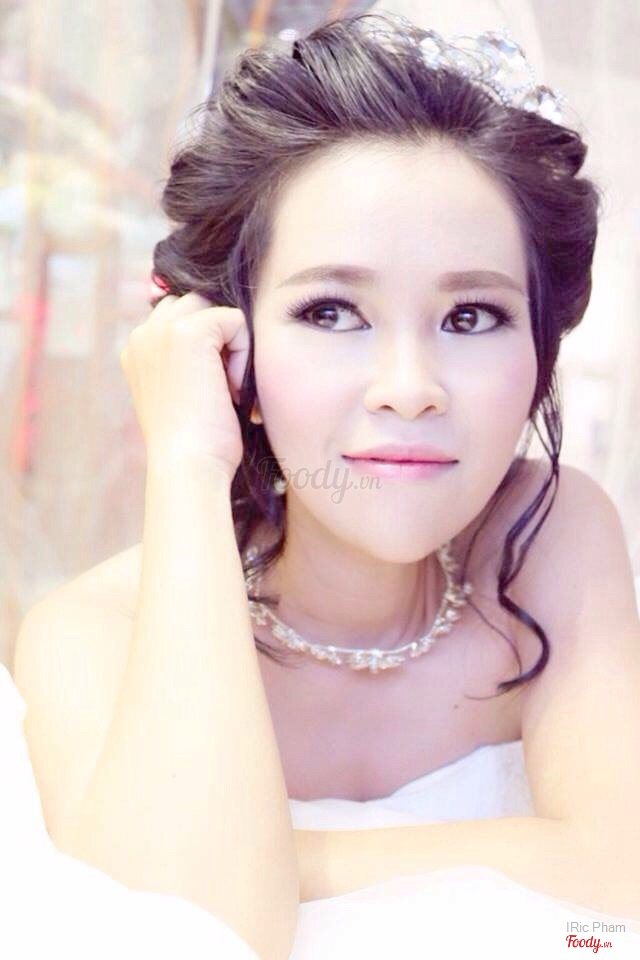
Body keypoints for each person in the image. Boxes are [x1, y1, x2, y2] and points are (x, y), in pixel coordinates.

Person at [10, 11, 640, 959]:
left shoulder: (546, 533)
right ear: (229, 346)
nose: (411, 389)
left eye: (472, 316)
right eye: (332, 311)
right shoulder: (91, 633)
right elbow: (187, 934)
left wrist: (280, 857)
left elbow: (623, 878)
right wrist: (187, 462)